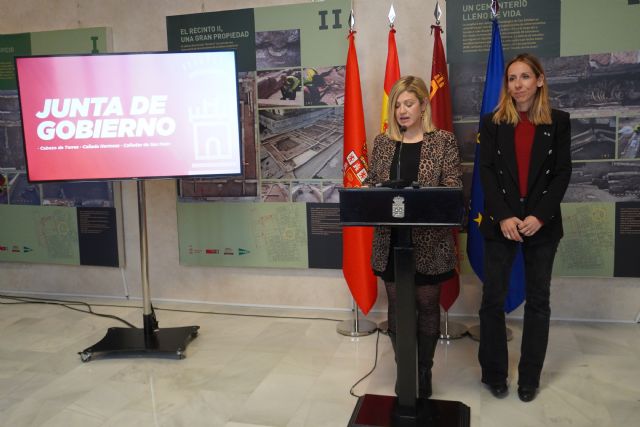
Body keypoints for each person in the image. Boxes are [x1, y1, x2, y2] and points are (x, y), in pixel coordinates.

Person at [477, 53, 572, 402]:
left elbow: (562, 172)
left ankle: (529, 378)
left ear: (540, 80)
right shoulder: (492, 122)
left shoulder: (559, 121)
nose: (518, 84)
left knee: (538, 301)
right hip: (502, 221)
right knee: (492, 300)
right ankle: (494, 374)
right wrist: (504, 216)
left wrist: (539, 216)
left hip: (540, 223)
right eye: (512, 78)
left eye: (525, 77)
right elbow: (486, 172)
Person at [365, 75, 462, 398]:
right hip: (391, 242)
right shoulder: (383, 143)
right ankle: (404, 369)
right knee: (396, 304)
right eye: (397, 105)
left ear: (423, 105)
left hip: (430, 243)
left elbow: (452, 189)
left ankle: (423, 370)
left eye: (408, 104)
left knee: (427, 304)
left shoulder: (443, 141)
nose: (402, 111)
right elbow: (372, 186)